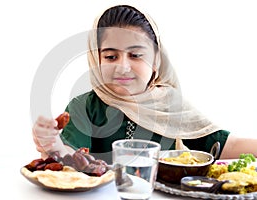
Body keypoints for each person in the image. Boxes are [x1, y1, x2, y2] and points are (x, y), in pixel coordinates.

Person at [32, 5, 257, 164]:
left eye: (136, 55)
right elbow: (70, 157)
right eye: (111, 57)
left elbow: (224, 146)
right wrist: (53, 146)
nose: (123, 67)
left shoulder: (170, 105)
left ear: (157, 60)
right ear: (95, 58)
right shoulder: (85, 107)